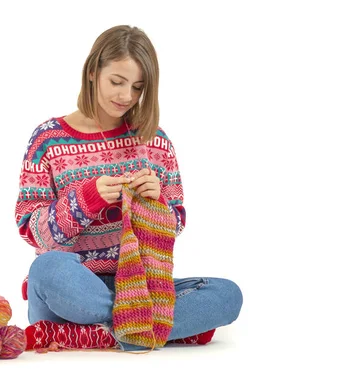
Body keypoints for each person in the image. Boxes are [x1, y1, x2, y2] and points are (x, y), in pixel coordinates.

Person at [14, 25, 242, 352]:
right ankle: (159, 330)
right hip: (75, 286)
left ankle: (89, 335)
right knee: (47, 269)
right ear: (92, 72)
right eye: (117, 82)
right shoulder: (47, 140)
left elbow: (175, 223)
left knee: (227, 295)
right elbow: (30, 230)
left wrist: (157, 204)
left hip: (139, 284)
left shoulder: (155, 141)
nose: (126, 97)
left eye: (137, 87)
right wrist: (84, 200)